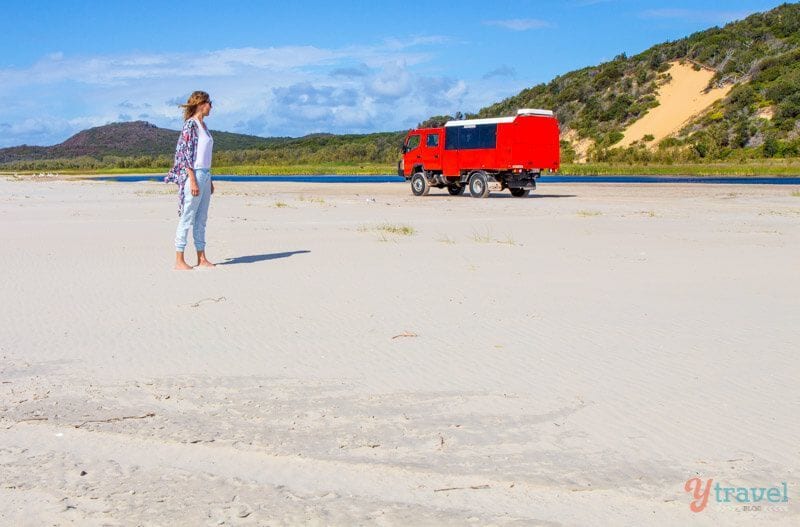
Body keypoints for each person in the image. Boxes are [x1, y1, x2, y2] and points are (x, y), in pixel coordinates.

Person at [165, 91, 216, 270]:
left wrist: (209, 179)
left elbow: (205, 156)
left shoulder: (204, 126)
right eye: (210, 103)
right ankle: (179, 260)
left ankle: (201, 258)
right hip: (193, 175)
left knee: (201, 219)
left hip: (205, 174)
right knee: (187, 216)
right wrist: (192, 179)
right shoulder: (190, 125)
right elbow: (185, 154)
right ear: (202, 104)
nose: (212, 107)